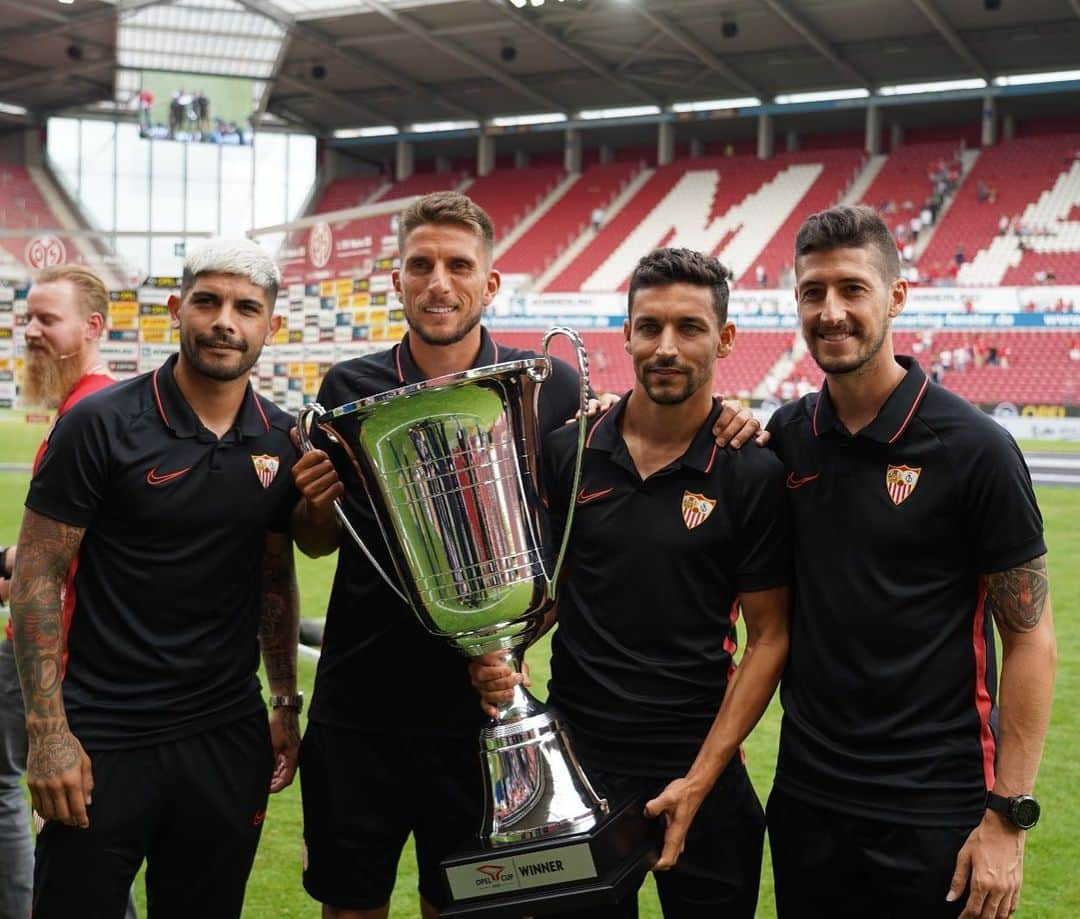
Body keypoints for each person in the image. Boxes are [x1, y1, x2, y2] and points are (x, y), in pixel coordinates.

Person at [290, 192, 762, 919]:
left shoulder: (550, 386)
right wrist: (315, 503)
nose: (438, 282)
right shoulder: (348, 387)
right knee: (353, 903)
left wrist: (728, 415)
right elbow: (321, 538)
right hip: (362, 704)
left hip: (481, 711)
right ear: (397, 281)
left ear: (490, 282)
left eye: (457, 265)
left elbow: (565, 528)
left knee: (465, 903)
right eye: (421, 265)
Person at [470, 248, 791, 918]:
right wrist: (505, 649)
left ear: (725, 338)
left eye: (690, 328)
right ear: (626, 333)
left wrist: (699, 781)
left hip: (700, 771)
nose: (666, 347)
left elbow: (769, 637)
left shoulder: (751, 473)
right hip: (577, 772)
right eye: (649, 327)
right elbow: (546, 590)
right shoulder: (570, 451)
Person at [765, 205, 1056, 919]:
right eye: (812, 292)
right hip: (807, 799)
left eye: (852, 288)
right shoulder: (786, 435)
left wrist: (1008, 818)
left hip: (937, 807)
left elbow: (1030, 639)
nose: (830, 311)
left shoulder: (974, 449)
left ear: (896, 297)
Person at [9, 239, 302, 919]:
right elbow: (36, 573)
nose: (225, 320)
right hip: (103, 734)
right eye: (208, 300)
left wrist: (284, 698)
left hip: (226, 736)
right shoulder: (100, 424)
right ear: (176, 309)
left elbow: (273, 576)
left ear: (271, 327)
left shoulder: (280, 439)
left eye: (246, 307)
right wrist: (49, 731)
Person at [0, 264, 118, 919]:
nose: (31, 331)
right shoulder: (88, 408)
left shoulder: (88, 414)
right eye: (28, 317)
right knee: (85, 815)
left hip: (52, 648)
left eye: (48, 319)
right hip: (74, 644)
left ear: (92, 327)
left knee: (12, 787)